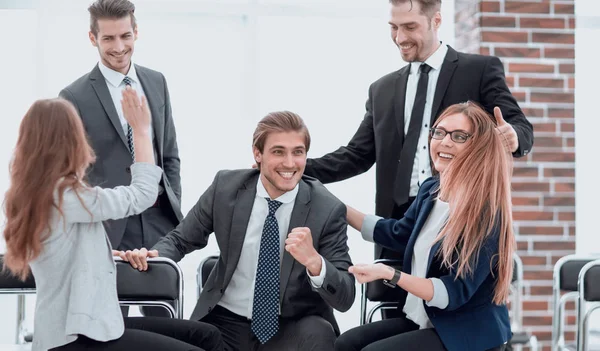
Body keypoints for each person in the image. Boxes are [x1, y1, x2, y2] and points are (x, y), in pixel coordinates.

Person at [303, 0, 532, 288]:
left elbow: (520, 128)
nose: (400, 37)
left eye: (410, 27)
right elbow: (356, 155)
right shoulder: (382, 89)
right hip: (397, 226)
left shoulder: (479, 70)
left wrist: (513, 138)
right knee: (396, 317)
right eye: (394, 27)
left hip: (458, 220)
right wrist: (297, 168)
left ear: (436, 21)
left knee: (451, 309)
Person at [2, 95, 223, 350]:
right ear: (71, 142)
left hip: (81, 329)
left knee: (206, 337)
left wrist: (105, 255)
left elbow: (63, 252)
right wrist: (141, 131)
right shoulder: (65, 195)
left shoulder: (38, 195)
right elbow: (142, 195)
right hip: (77, 338)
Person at [122, 111, 356, 351]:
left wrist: (315, 262)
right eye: (278, 152)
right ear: (257, 153)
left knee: (319, 335)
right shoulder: (226, 187)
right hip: (225, 322)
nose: (289, 163)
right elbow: (181, 240)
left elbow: (346, 297)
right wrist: (154, 256)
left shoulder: (327, 209)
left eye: (298, 152)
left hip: (293, 325)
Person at [334, 101, 514, 351]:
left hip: (465, 332)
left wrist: (391, 275)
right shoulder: (431, 190)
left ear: (477, 147)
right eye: (439, 132)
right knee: (346, 344)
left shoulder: (485, 213)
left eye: (459, 136)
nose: (445, 142)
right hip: (426, 320)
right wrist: (337, 208)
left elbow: (451, 294)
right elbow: (398, 234)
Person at [59, 0, 182, 255]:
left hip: (159, 220)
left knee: (162, 291)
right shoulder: (73, 96)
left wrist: (173, 203)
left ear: (136, 32)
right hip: (109, 225)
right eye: (108, 38)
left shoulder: (156, 81)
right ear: (93, 38)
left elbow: (169, 154)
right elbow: (69, 173)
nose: (119, 47)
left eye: (125, 36)